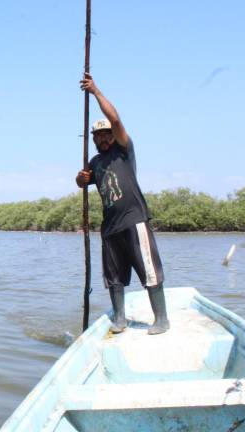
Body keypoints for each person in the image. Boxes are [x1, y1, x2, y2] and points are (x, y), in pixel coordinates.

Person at [75, 73, 170, 335]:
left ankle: (161, 319)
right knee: (114, 278)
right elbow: (82, 182)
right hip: (110, 228)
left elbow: (115, 119)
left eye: (107, 135)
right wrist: (81, 179)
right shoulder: (95, 162)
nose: (104, 139)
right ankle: (120, 319)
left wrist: (95, 91)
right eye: (99, 136)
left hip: (134, 220)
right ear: (94, 139)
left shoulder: (124, 150)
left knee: (149, 271)